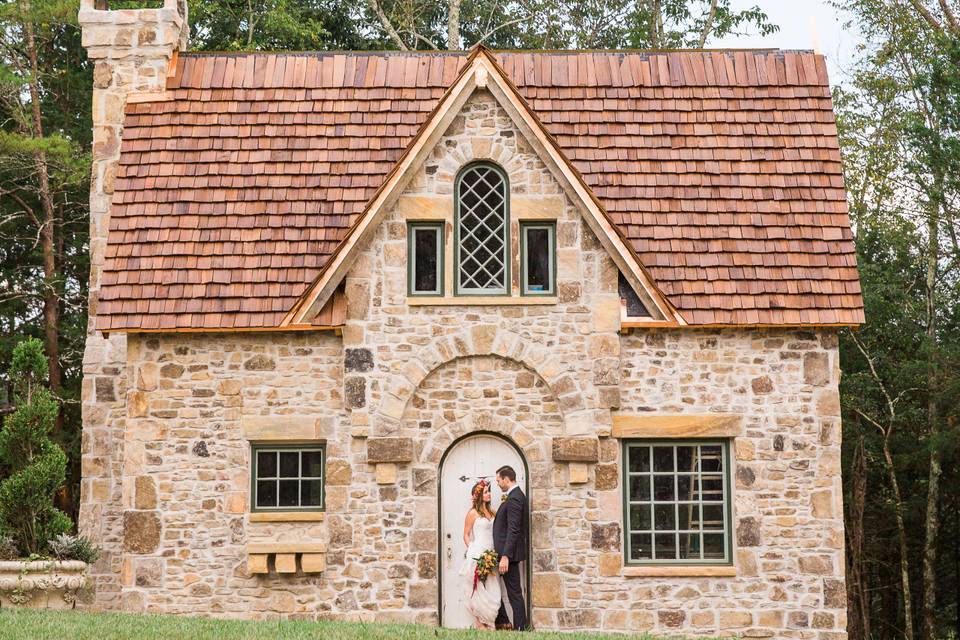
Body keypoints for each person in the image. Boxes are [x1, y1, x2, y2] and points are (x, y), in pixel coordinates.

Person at [459, 479, 502, 629]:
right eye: (486, 492)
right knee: (478, 588)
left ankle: (489, 621)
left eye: (489, 491)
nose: (489, 494)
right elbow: (466, 534)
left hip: (491, 555)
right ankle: (481, 623)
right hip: (478, 554)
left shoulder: (492, 512)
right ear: (478, 495)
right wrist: (472, 550)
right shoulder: (472, 513)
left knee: (492, 588)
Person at [492, 465, 529, 631]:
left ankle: (521, 628)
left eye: (499, 480)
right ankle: (515, 624)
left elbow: (514, 529)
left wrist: (505, 556)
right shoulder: (514, 496)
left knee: (514, 593)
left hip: (510, 556)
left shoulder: (514, 498)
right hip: (508, 554)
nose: (498, 483)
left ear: (507, 479)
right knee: (513, 591)